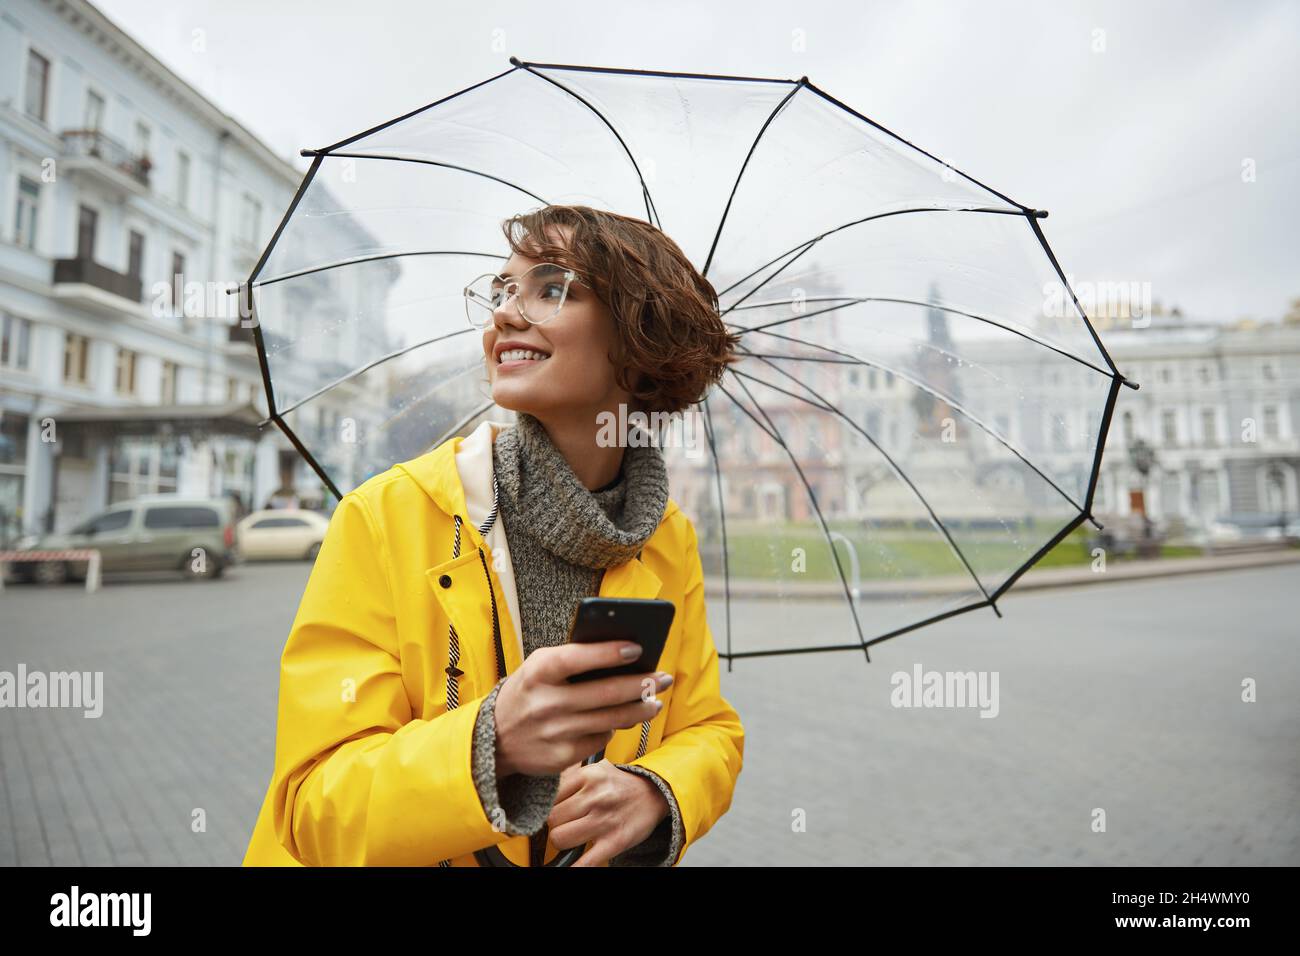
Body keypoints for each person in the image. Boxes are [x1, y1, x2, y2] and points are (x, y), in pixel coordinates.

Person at [242, 204, 744, 867]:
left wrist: (657, 792)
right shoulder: (389, 515)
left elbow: (707, 727)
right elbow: (313, 807)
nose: (506, 313)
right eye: (503, 290)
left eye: (550, 288)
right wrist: (493, 742)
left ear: (639, 339)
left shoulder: (664, 537)